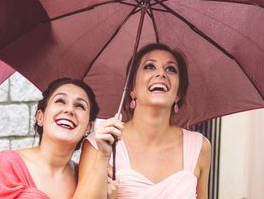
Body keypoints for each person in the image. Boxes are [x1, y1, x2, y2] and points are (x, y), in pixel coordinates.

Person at [80, 43, 211, 199]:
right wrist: (102, 157)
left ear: (178, 95)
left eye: (171, 69)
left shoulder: (199, 147)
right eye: (149, 66)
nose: (161, 73)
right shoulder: (99, 144)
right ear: (132, 90)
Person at [0, 78, 123, 199]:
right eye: (60, 101)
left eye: (80, 106)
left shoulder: (87, 181)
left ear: (88, 128)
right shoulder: (6, 166)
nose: (69, 110)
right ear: (40, 117)